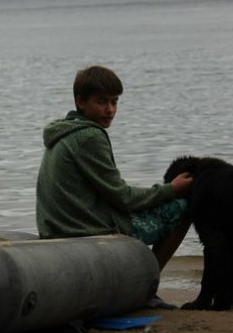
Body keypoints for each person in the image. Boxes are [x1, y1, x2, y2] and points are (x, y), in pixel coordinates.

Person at [35, 65, 192, 309]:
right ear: (81, 101)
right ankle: (145, 287)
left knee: (153, 207)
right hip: (84, 231)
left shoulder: (64, 132)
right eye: (101, 102)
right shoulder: (89, 137)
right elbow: (123, 197)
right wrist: (171, 189)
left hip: (57, 229)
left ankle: (138, 283)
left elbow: (111, 193)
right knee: (182, 209)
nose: (109, 110)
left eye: (114, 102)